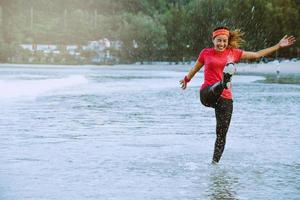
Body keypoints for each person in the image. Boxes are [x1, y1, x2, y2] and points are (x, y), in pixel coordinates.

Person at [180, 26, 296, 164]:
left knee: (221, 134)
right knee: (214, 88)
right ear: (213, 40)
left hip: (226, 99)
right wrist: (187, 79)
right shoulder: (206, 53)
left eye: (224, 41)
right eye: (219, 40)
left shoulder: (233, 53)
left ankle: (214, 164)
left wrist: (278, 46)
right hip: (208, 94)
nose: (221, 44)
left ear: (227, 41)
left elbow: (257, 54)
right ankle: (223, 82)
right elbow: (195, 68)